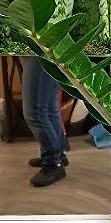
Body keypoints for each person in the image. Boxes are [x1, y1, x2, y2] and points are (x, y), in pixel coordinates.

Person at [22, 58, 68, 187]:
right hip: (51, 47)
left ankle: (53, 164)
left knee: (34, 113)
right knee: (49, 109)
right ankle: (58, 155)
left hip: (41, 48)